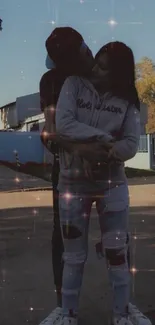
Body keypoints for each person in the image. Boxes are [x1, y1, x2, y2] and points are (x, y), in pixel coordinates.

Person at [55, 41, 152, 325]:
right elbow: (64, 125)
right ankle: (68, 314)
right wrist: (104, 140)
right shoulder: (73, 85)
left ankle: (121, 314)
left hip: (112, 185)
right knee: (73, 256)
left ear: (118, 74)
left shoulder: (127, 100)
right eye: (96, 62)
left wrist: (109, 154)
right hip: (72, 185)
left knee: (117, 251)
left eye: (104, 68)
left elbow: (132, 144)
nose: (95, 69)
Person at [39, 27, 112, 325]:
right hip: (69, 171)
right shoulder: (52, 81)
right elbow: (51, 130)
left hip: (107, 169)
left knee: (115, 235)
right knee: (65, 238)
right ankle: (64, 308)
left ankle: (122, 305)